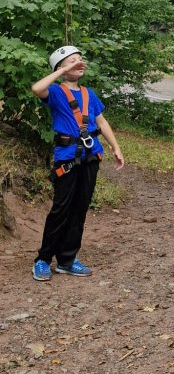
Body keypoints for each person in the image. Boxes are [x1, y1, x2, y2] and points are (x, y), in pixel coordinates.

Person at [31, 45, 124, 281]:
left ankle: (67, 260)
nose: (79, 63)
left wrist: (116, 147)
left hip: (91, 156)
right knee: (61, 208)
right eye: (72, 61)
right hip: (67, 157)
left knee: (80, 208)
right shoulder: (55, 92)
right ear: (60, 68)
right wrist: (62, 71)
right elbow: (37, 88)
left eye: (80, 59)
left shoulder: (89, 94)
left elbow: (101, 122)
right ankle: (43, 259)